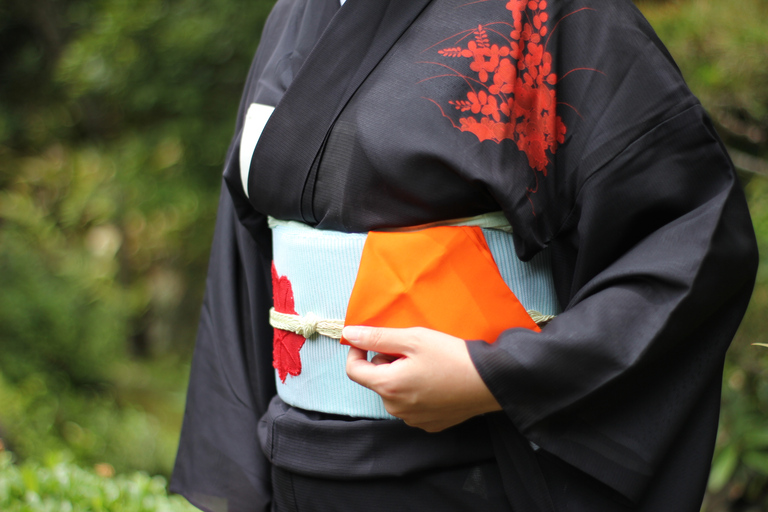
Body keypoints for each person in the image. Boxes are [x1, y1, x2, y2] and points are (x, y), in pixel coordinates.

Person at [170, 0, 759, 510]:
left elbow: (690, 231)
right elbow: (245, 254)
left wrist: (496, 376)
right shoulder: (296, 13)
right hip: (297, 460)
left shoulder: (547, 11)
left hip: (469, 470)